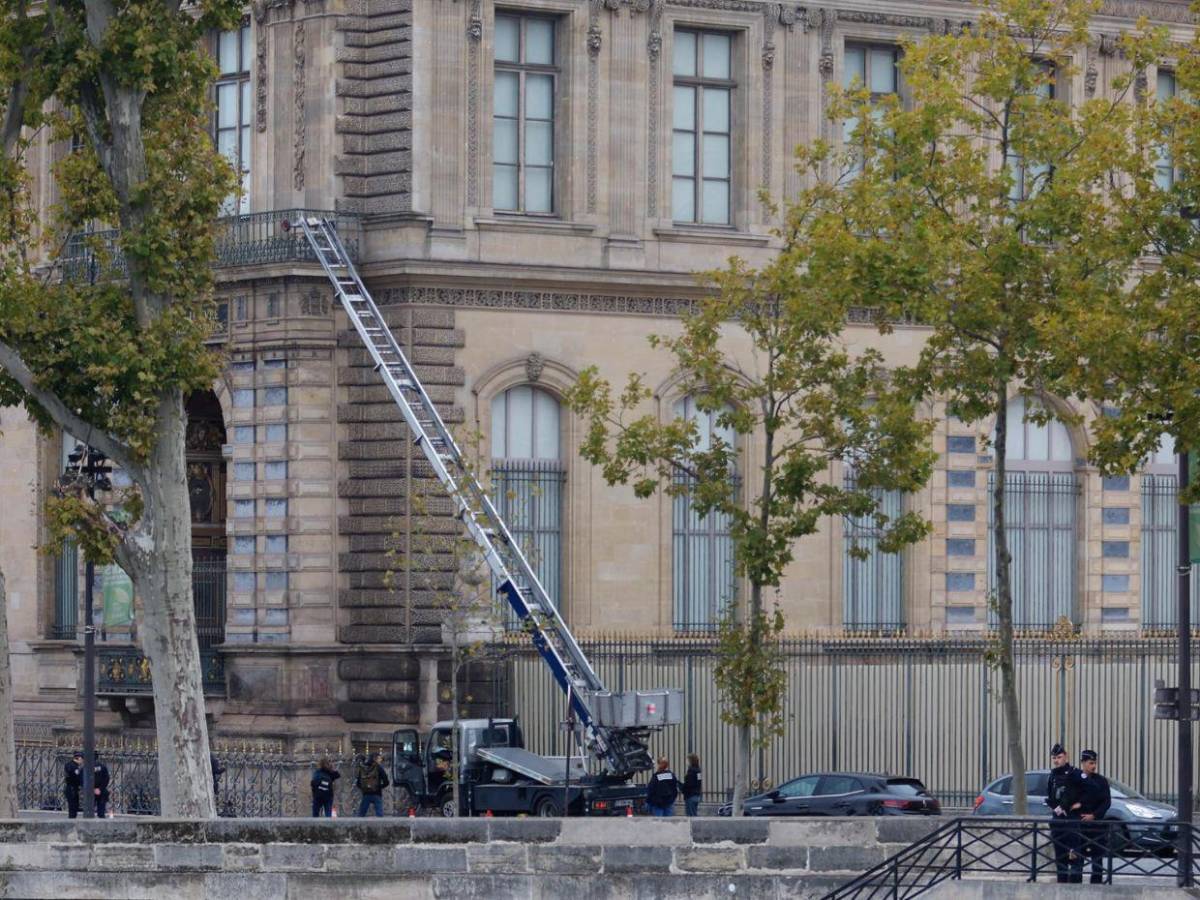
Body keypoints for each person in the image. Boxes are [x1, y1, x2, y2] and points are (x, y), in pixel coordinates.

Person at [1068, 749, 1112, 885]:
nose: (1093, 766)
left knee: (1097, 858)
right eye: (1090, 763)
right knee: (1076, 857)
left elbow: (1106, 802)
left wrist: (1094, 815)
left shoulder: (1101, 781)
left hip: (1095, 824)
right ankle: (1075, 884)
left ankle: (1096, 884)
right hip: (1079, 824)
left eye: (1095, 763)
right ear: (1083, 763)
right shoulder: (1075, 780)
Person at [1045, 743, 1081, 884]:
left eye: (1059, 757)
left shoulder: (1075, 773)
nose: (1056, 760)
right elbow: (1051, 794)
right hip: (1058, 820)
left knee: (1075, 855)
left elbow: (1085, 793)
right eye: (1054, 758)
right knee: (1060, 856)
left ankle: (1075, 886)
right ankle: (1061, 884)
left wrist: (1081, 804)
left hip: (1072, 819)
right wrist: (1055, 807)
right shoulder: (1052, 775)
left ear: (1066, 757)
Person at [355, 751, 389, 817]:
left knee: (361, 815)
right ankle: (380, 827)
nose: (380, 760)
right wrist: (379, 787)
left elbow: (358, 783)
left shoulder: (363, 768)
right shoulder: (379, 768)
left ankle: (357, 827)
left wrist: (365, 788)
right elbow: (386, 782)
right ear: (375, 759)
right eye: (379, 758)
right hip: (377, 793)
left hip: (366, 794)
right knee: (379, 815)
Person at [64, 752, 83, 819]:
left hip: (71, 788)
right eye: (82, 759)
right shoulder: (74, 767)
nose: (82, 761)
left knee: (74, 807)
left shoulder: (69, 765)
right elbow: (76, 778)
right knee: (73, 808)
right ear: (79, 758)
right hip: (72, 789)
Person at [91, 752, 111, 819]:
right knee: (101, 812)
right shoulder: (102, 766)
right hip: (101, 791)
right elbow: (106, 778)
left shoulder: (87, 767)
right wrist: (100, 789)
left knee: (89, 812)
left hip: (90, 792)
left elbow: (84, 779)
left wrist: (93, 789)